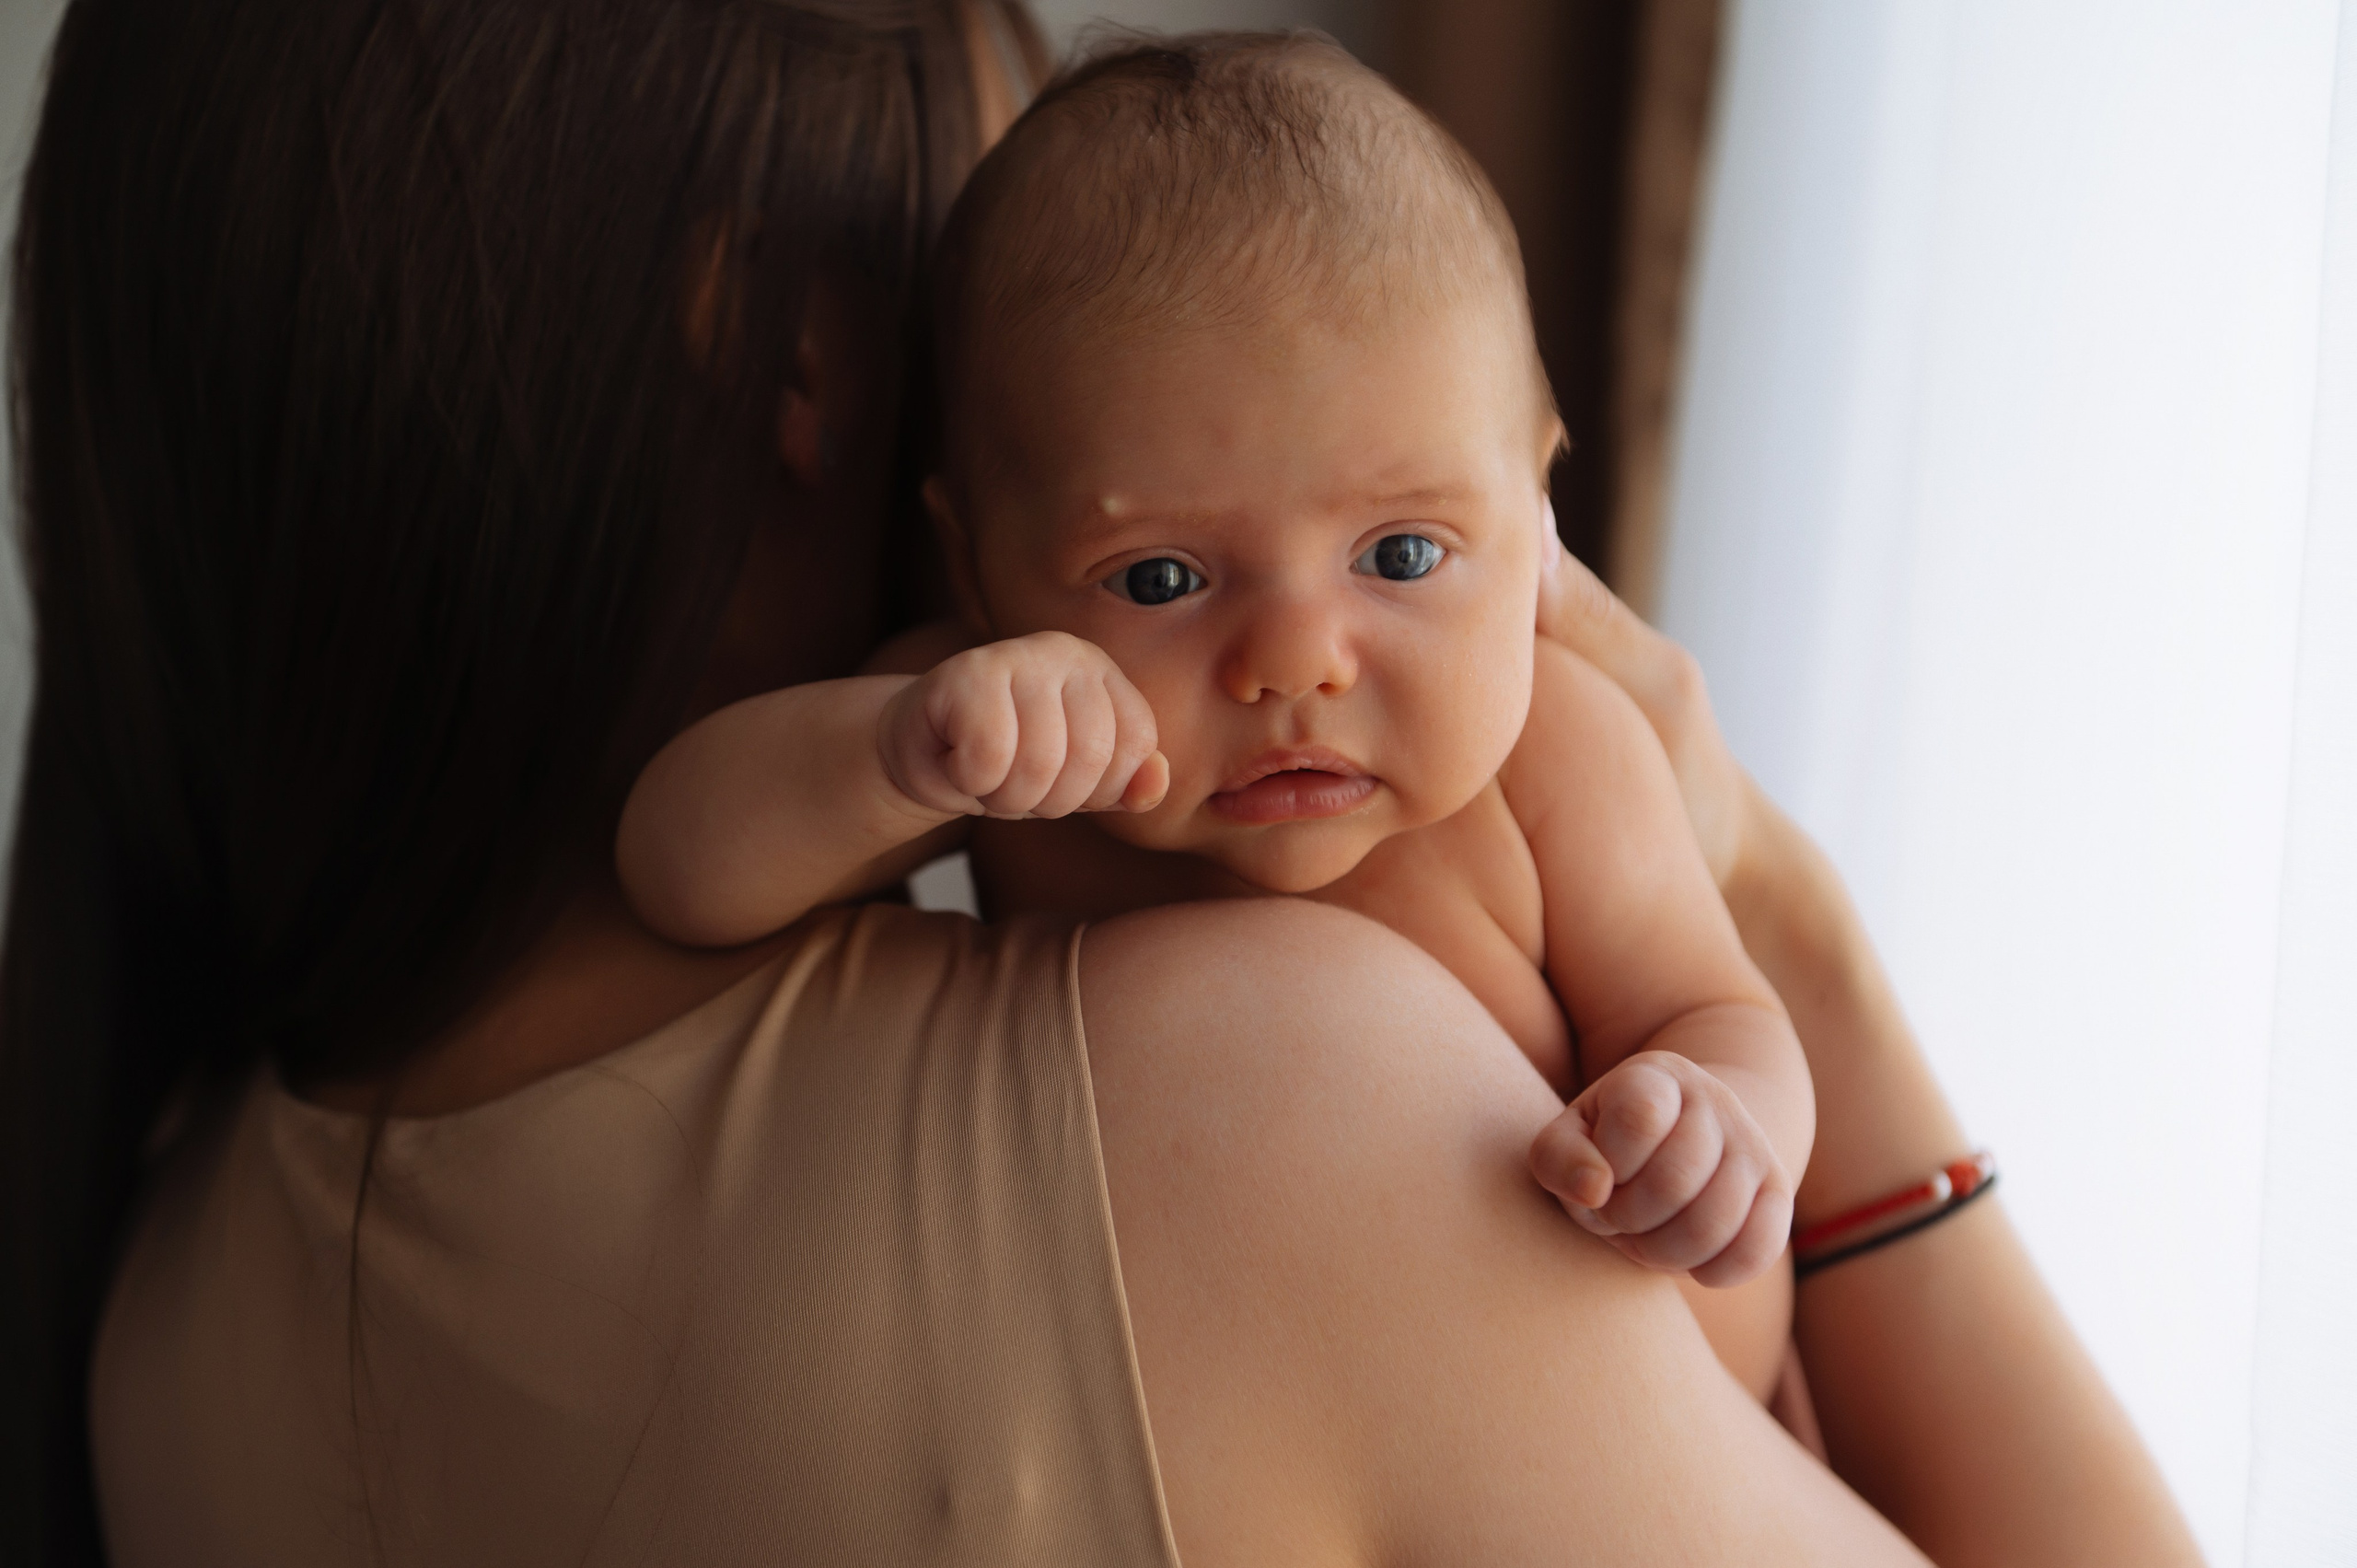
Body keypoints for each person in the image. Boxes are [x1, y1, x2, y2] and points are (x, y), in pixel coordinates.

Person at [0, 2, 2202, 1566]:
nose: (1287, 646)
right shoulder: (1270, 1119)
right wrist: (1785, 922)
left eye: (1400, 547)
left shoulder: (162, 1303)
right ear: (793, 362)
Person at [618, 39, 1812, 1344]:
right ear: (980, 566)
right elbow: (678, 865)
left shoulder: (1561, 755)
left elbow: (1717, 1009)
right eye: (1162, 577)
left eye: (1402, 554)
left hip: (1663, 1437)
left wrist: (1716, 1125)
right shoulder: (1008, 742)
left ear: (1533, 518)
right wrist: (892, 752)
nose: (1293, 662)